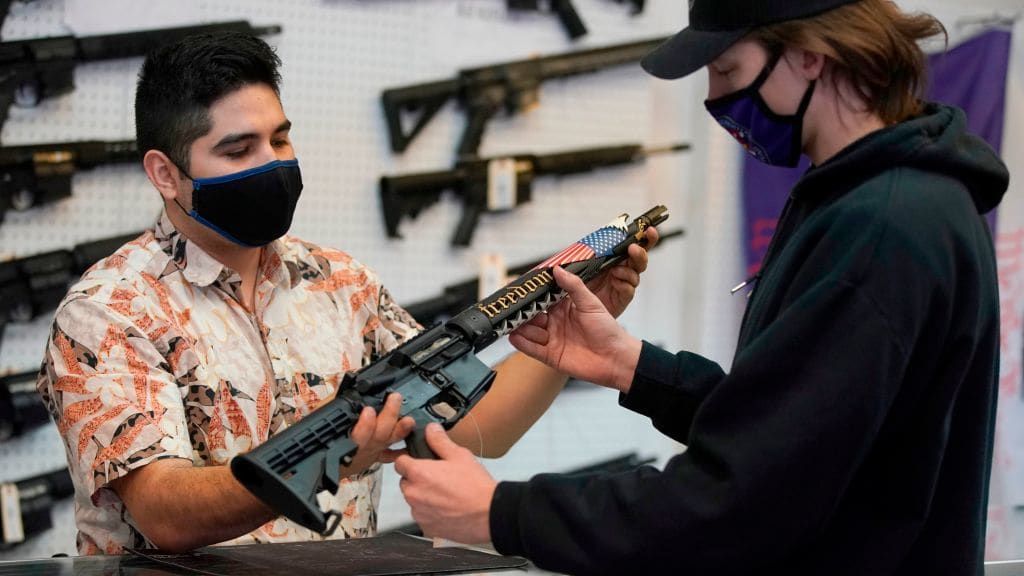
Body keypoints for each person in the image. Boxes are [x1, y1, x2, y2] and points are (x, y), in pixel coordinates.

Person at [394, 1, 1010, 574]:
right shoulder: (878, 201)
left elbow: (745, 497)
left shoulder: (882, 226)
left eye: (725, 67)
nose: (715, 96)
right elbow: (796, 434)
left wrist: (501, 514)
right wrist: (634, 366)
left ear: (809, 56)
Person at [35, 31, 652, 555]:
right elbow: (165, 512)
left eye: (279, 139)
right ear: (165, 173)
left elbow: (469, 430)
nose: (272, 163)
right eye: (237, 149)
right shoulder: (107, 312)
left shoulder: (341, 283)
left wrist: (559, 334)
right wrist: (337, 448)